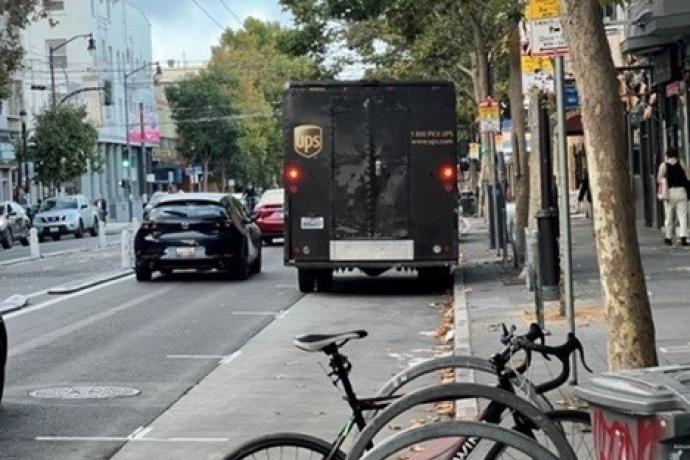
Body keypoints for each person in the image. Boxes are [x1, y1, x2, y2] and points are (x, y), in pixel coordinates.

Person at [657, 148, 689, 246]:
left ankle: (668, 237)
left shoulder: (664, 165)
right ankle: (683, 236)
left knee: (669, 215)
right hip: (681, 191)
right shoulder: (681, 163)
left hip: (669, 192)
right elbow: (688, 177)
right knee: (682, 216)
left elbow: (659, 179)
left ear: (667, 155)